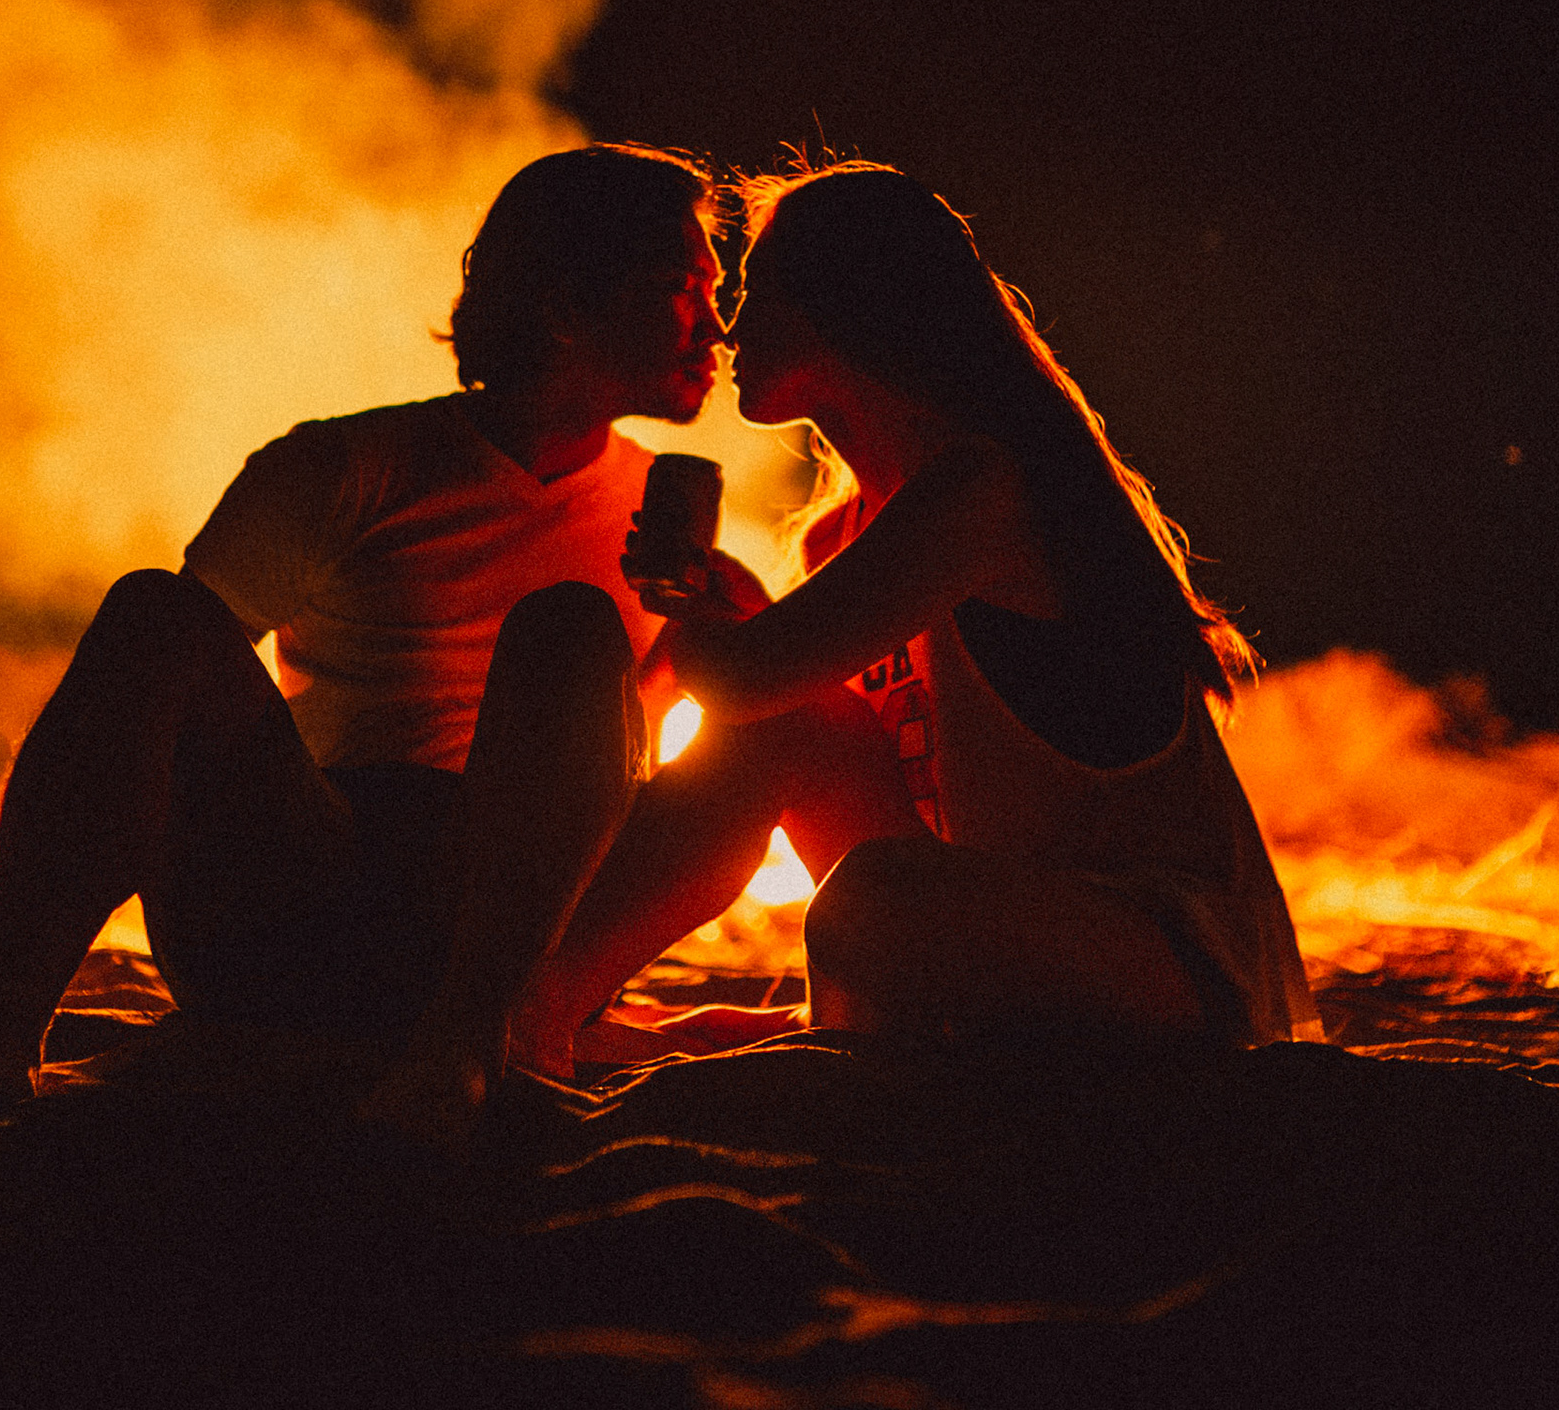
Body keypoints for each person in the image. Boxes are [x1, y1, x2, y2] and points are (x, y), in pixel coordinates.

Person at [0, 142, 729, 1141]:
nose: (716, 327)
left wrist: (723, 619)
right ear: (565, 304)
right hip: (312, 886)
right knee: (157, 609)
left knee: (582, 629)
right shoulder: (349, 467)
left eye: (717, 289)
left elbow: (716, 749)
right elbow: (143, 690)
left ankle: (473, 1043)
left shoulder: (666, 511)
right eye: (680, 288)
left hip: (531, 935)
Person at [510, 160, 1321, 1070]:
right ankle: (544, 1008)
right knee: (791, 741)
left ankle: (816, 1045)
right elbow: (793, 711)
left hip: (1165, 958)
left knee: (873, 893)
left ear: (845, 306)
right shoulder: (838, 535)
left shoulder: (980, 490)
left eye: (754, 291)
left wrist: (686, 601)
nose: (731, 327)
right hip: (998, 922)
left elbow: (737, 680)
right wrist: (723, 610)